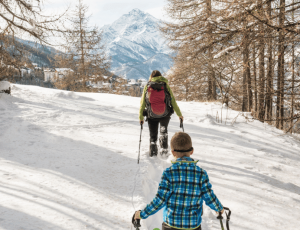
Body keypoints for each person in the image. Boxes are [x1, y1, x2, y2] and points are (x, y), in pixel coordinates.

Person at [134, 132, 224, 230]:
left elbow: (160, 200)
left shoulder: (168, 173)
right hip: (193, 226)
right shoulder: (201, 174)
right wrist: (219, 208)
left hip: (171, 225)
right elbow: (209, 197)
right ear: (192, 151)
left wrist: (142, 214)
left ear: (173, 152)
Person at [139, 70, 183, 156]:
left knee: (153, 135)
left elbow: (143, 103)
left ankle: (153, 151)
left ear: (151, 77)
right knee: (163, 132)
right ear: (160, 76)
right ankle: (164, 150)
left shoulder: (148, 86)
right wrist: (179, 114)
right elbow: (173, 101)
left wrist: (141, 117)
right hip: (165, 114)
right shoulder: (165, 85)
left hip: (151, 115)